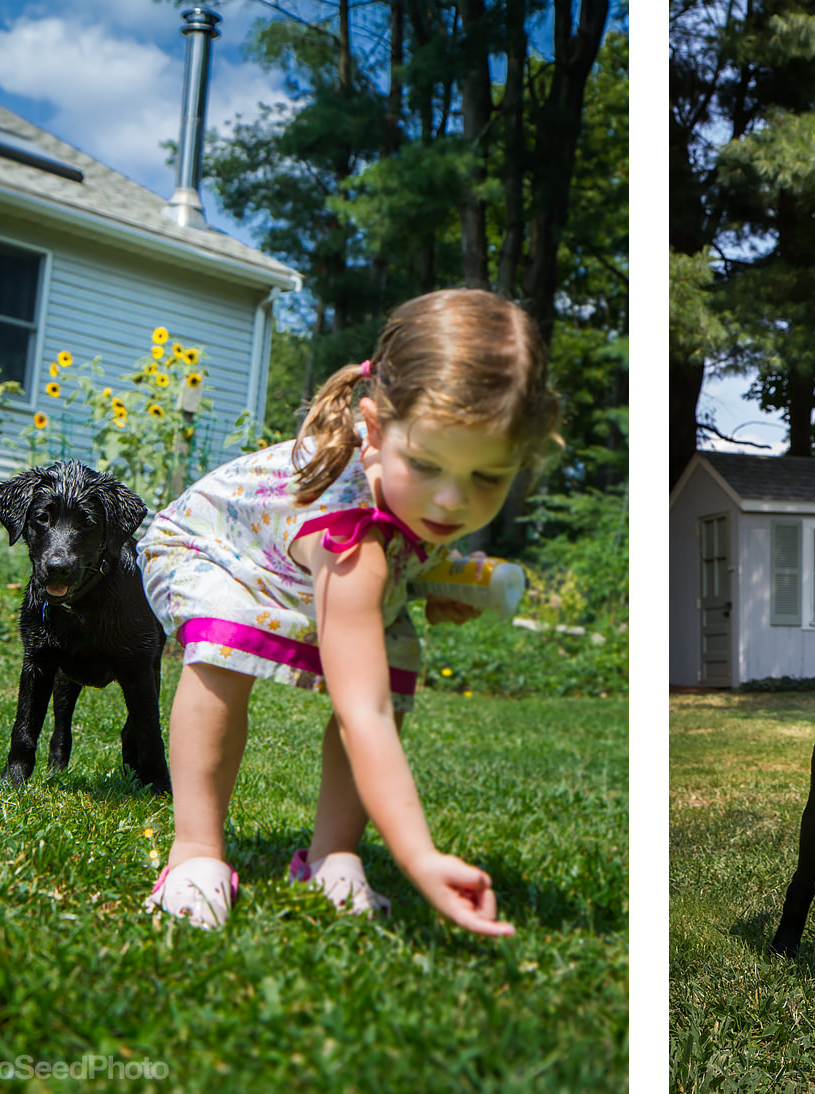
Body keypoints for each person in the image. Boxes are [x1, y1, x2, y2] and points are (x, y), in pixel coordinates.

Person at [138, 289, 560, 934]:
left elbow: (393, 568)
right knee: (229, 639)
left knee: (389, 653)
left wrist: (423, 579)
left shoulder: (414, 493)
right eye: (427, 464)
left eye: (487, 477)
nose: (452, 502)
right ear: (375, 430)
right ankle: (195, 852)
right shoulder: (351, 537)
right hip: (219, 548)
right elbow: (366, 713)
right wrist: (417, 856)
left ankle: (333, 854)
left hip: (318, 570)